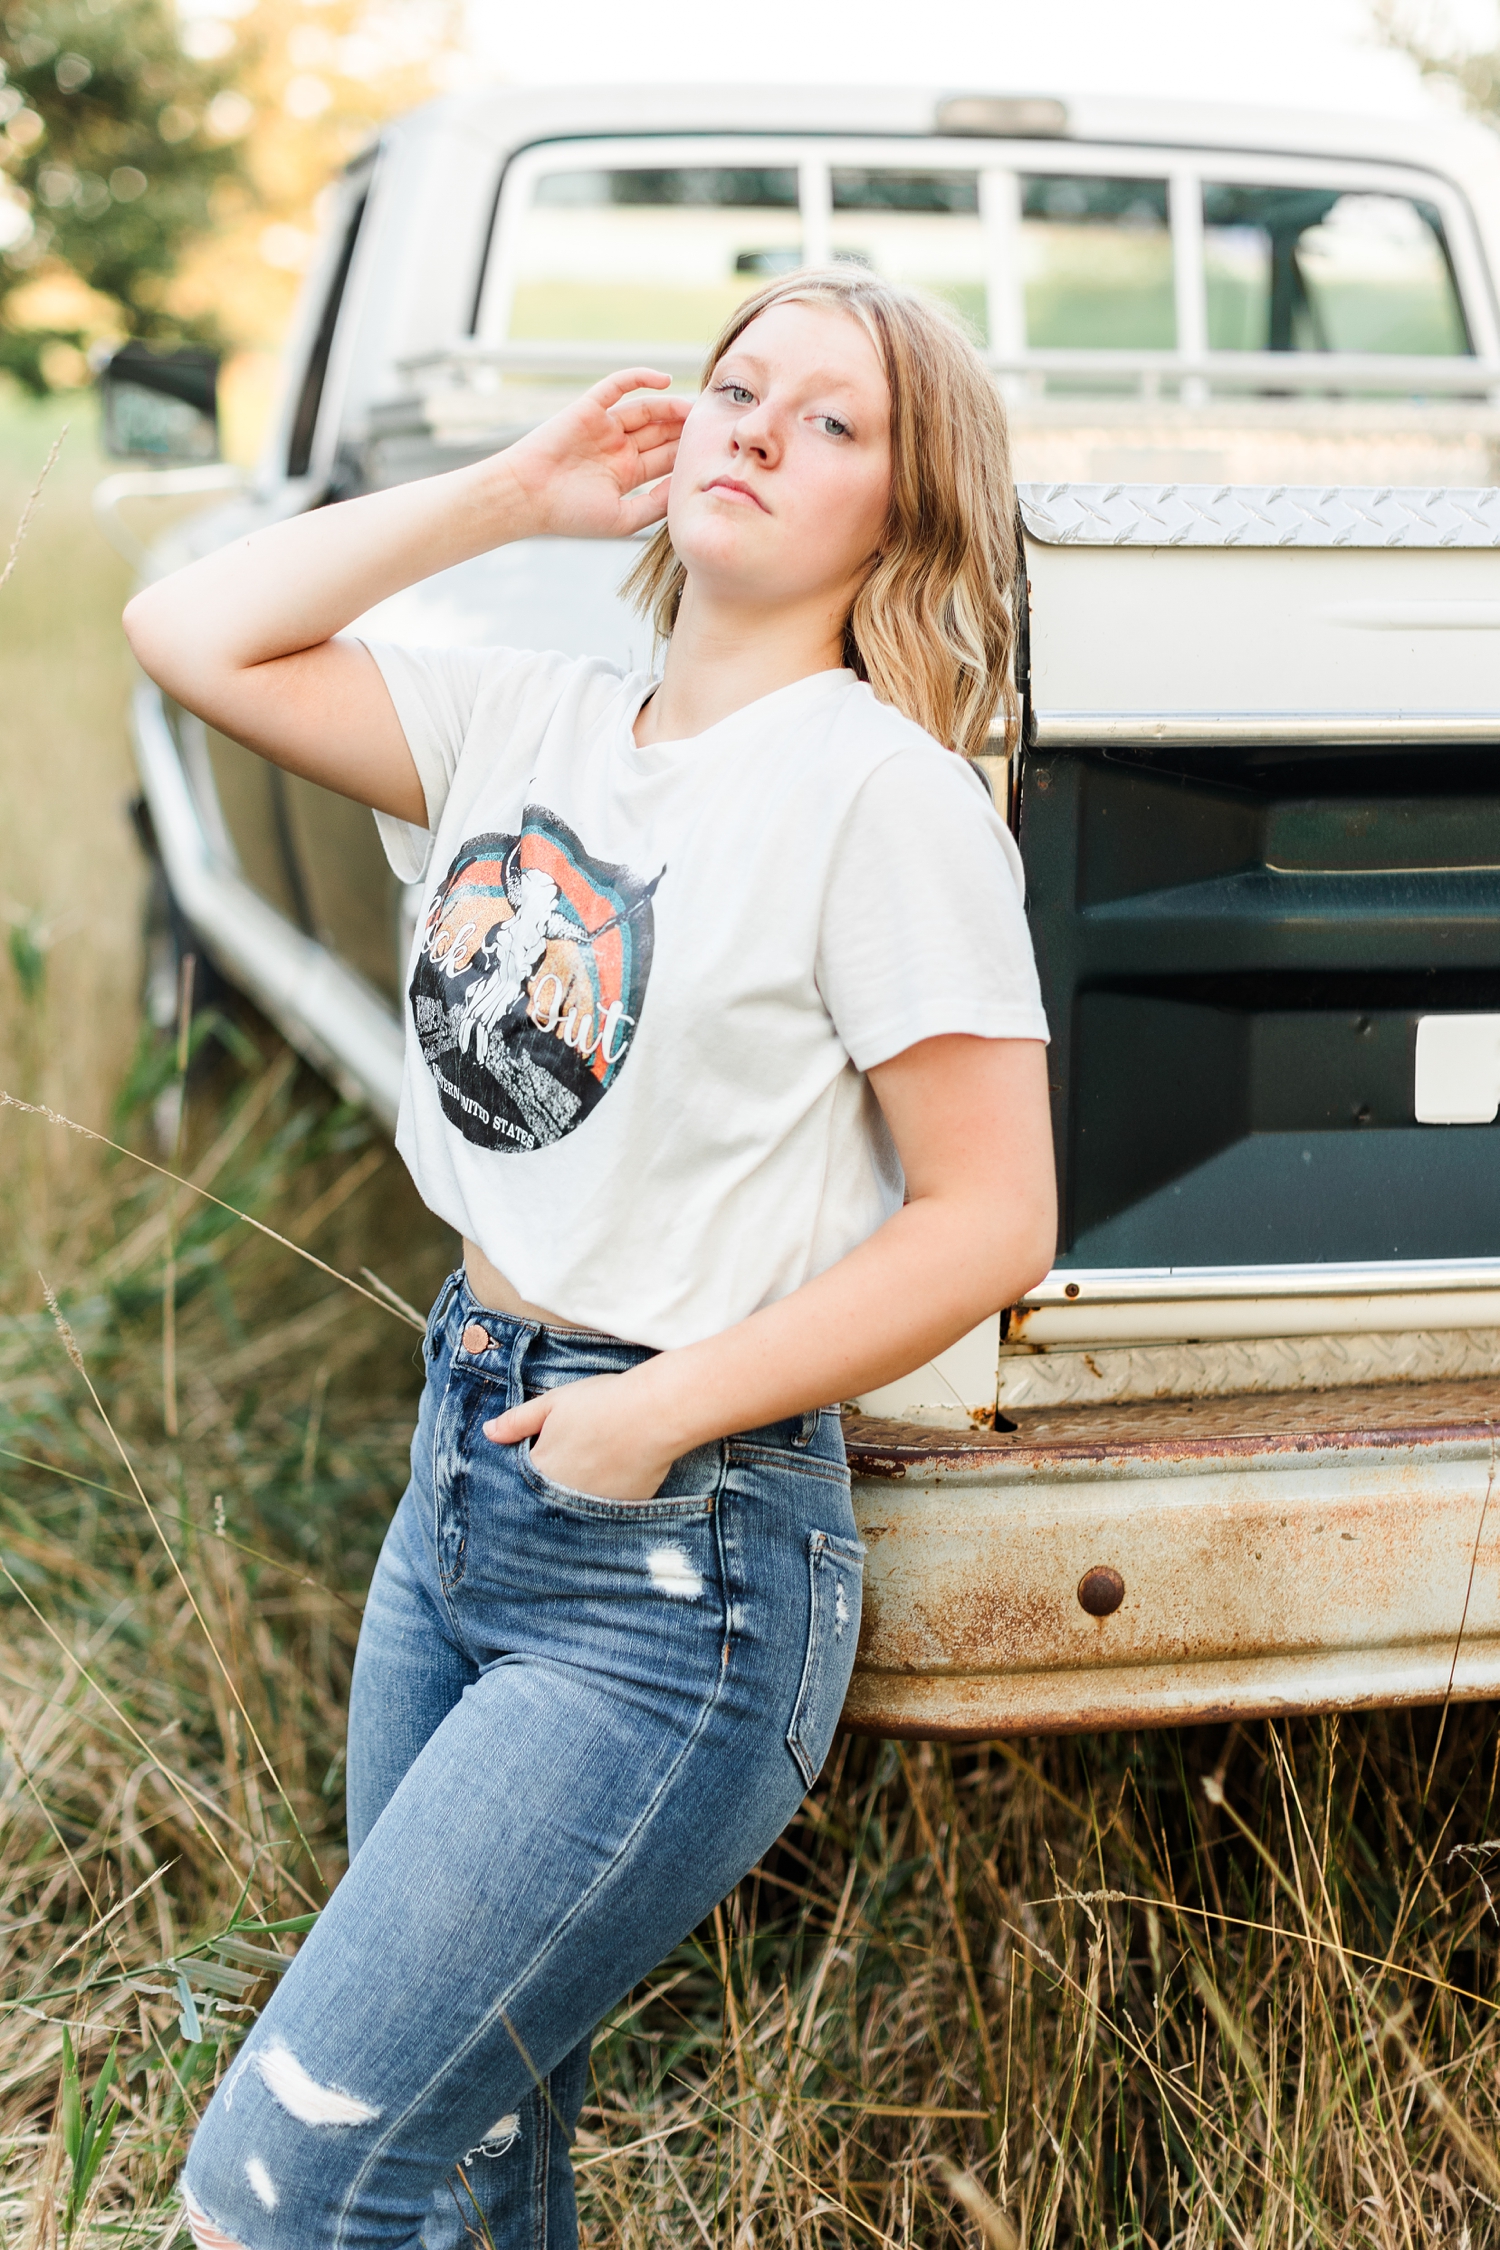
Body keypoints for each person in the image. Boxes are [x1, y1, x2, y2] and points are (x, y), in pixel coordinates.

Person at [123, 266, 1057, 2250]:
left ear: (903, 513)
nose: (757, 430)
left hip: (678, 1553)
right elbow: (184, 628)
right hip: (463, 1467)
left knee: (287, 2183)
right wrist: (514, 492)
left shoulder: (877, 796)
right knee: (460, 2157)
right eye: (739, 388)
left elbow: (995, 1217)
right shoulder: (518, 714)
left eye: (833, 422)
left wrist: (652, 1419)